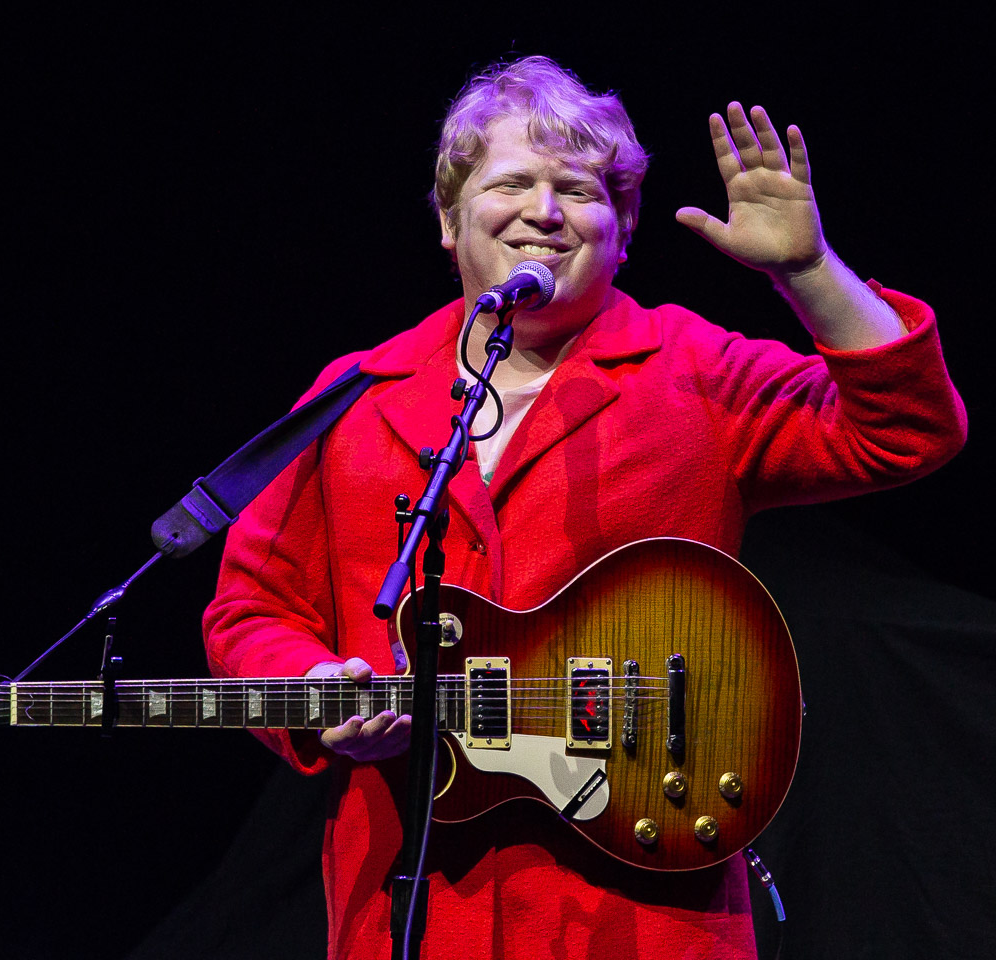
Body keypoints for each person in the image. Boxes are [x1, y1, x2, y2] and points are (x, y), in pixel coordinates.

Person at [202, 56, 966, 959]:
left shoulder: (693, 369)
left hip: (644, 903)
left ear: (625, 223)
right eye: (511, 183)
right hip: (411, 897)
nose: (546, 213)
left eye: (579, 188)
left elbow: (907, 430)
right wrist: (310, 689)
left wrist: (807, 271)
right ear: (450, 221)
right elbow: (253, 606)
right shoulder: (355, 396)